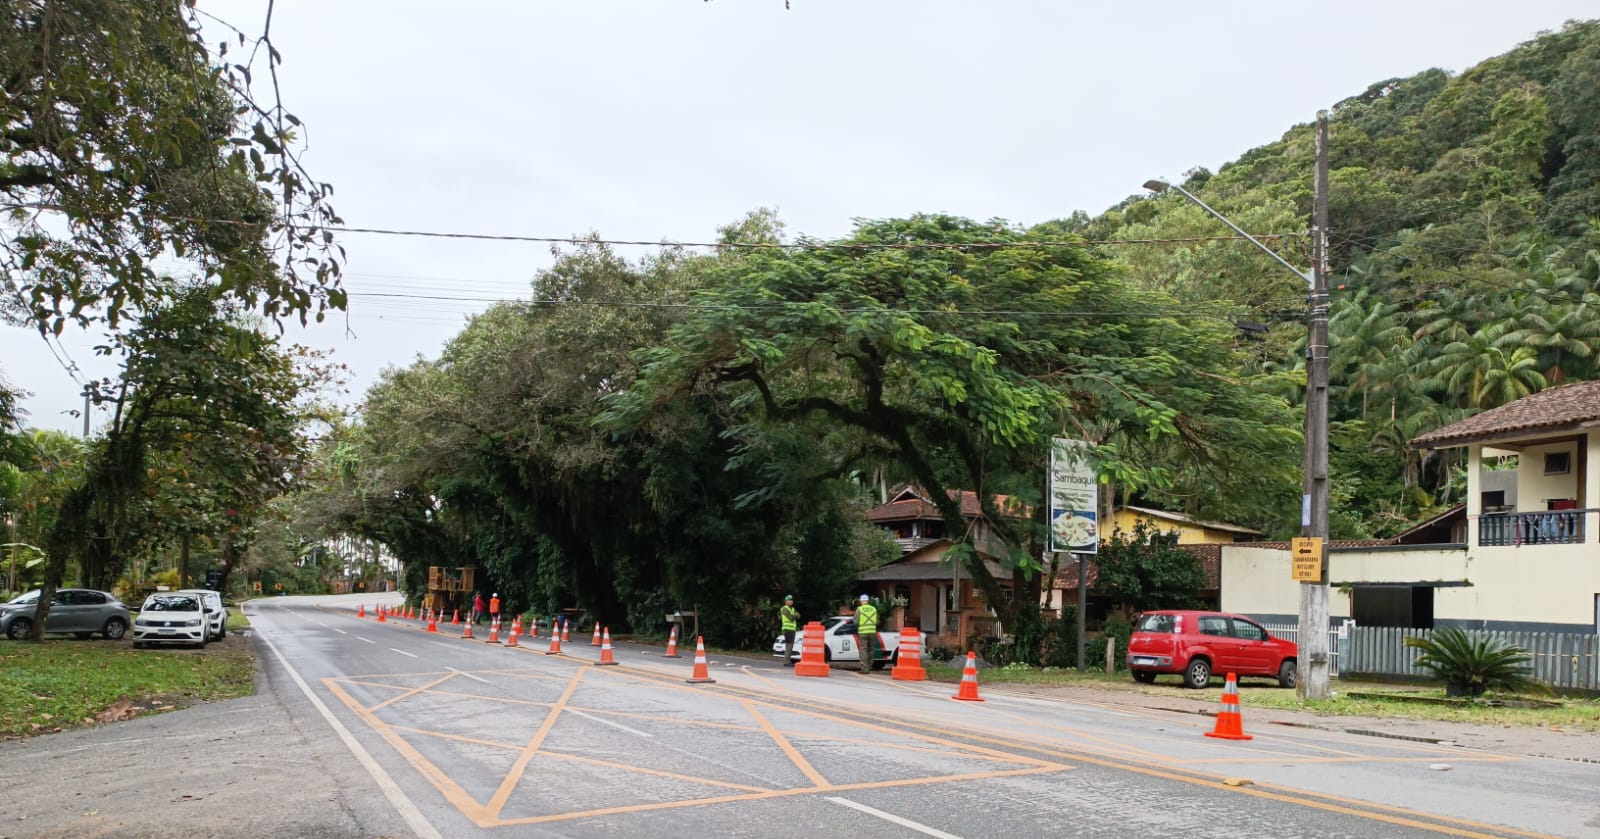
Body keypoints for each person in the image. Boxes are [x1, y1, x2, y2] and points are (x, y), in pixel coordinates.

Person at [853, 594, 880, 674]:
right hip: (872, 632)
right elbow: (877, 622)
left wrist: (858, 625)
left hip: (863, 632)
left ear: (861, 601)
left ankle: (864, 669)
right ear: (868, 601)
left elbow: (856, 622)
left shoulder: (859, 609)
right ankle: (869, 666)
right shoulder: (874, 609)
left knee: (863, 650)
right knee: (871, 650)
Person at [779, 595, 800, 667]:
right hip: (787, 629)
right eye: (789, 600)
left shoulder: (793, 609)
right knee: (789, 645)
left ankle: (788, 661)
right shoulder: (784, 609)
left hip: (792, 629)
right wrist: (795, 615)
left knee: (791, 646)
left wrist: (795, 615)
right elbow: (791, 617)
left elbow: (799, 615)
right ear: (786, 601)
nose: (791, 601)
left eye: (791, 600)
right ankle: (786, 662)